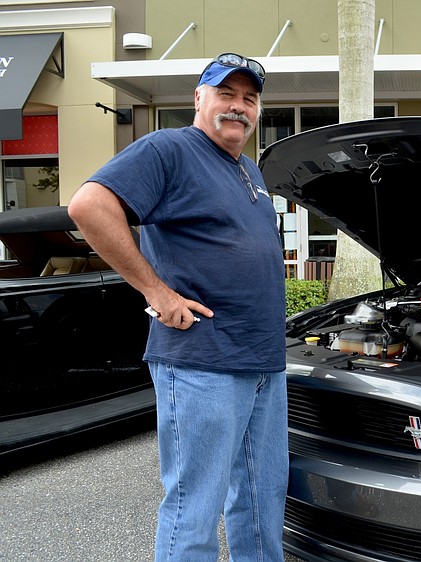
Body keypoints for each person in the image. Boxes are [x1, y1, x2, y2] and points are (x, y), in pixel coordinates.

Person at [68, 53, 288, 561]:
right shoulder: (170, 149)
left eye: (249, 99)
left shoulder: (249, 170)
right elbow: (89, 205)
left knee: (260, 501)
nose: (238, 107)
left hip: (262, 363)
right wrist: (156, 292)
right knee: (195, 508)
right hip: (202, 361)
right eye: (226, 95)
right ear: (198, 98)